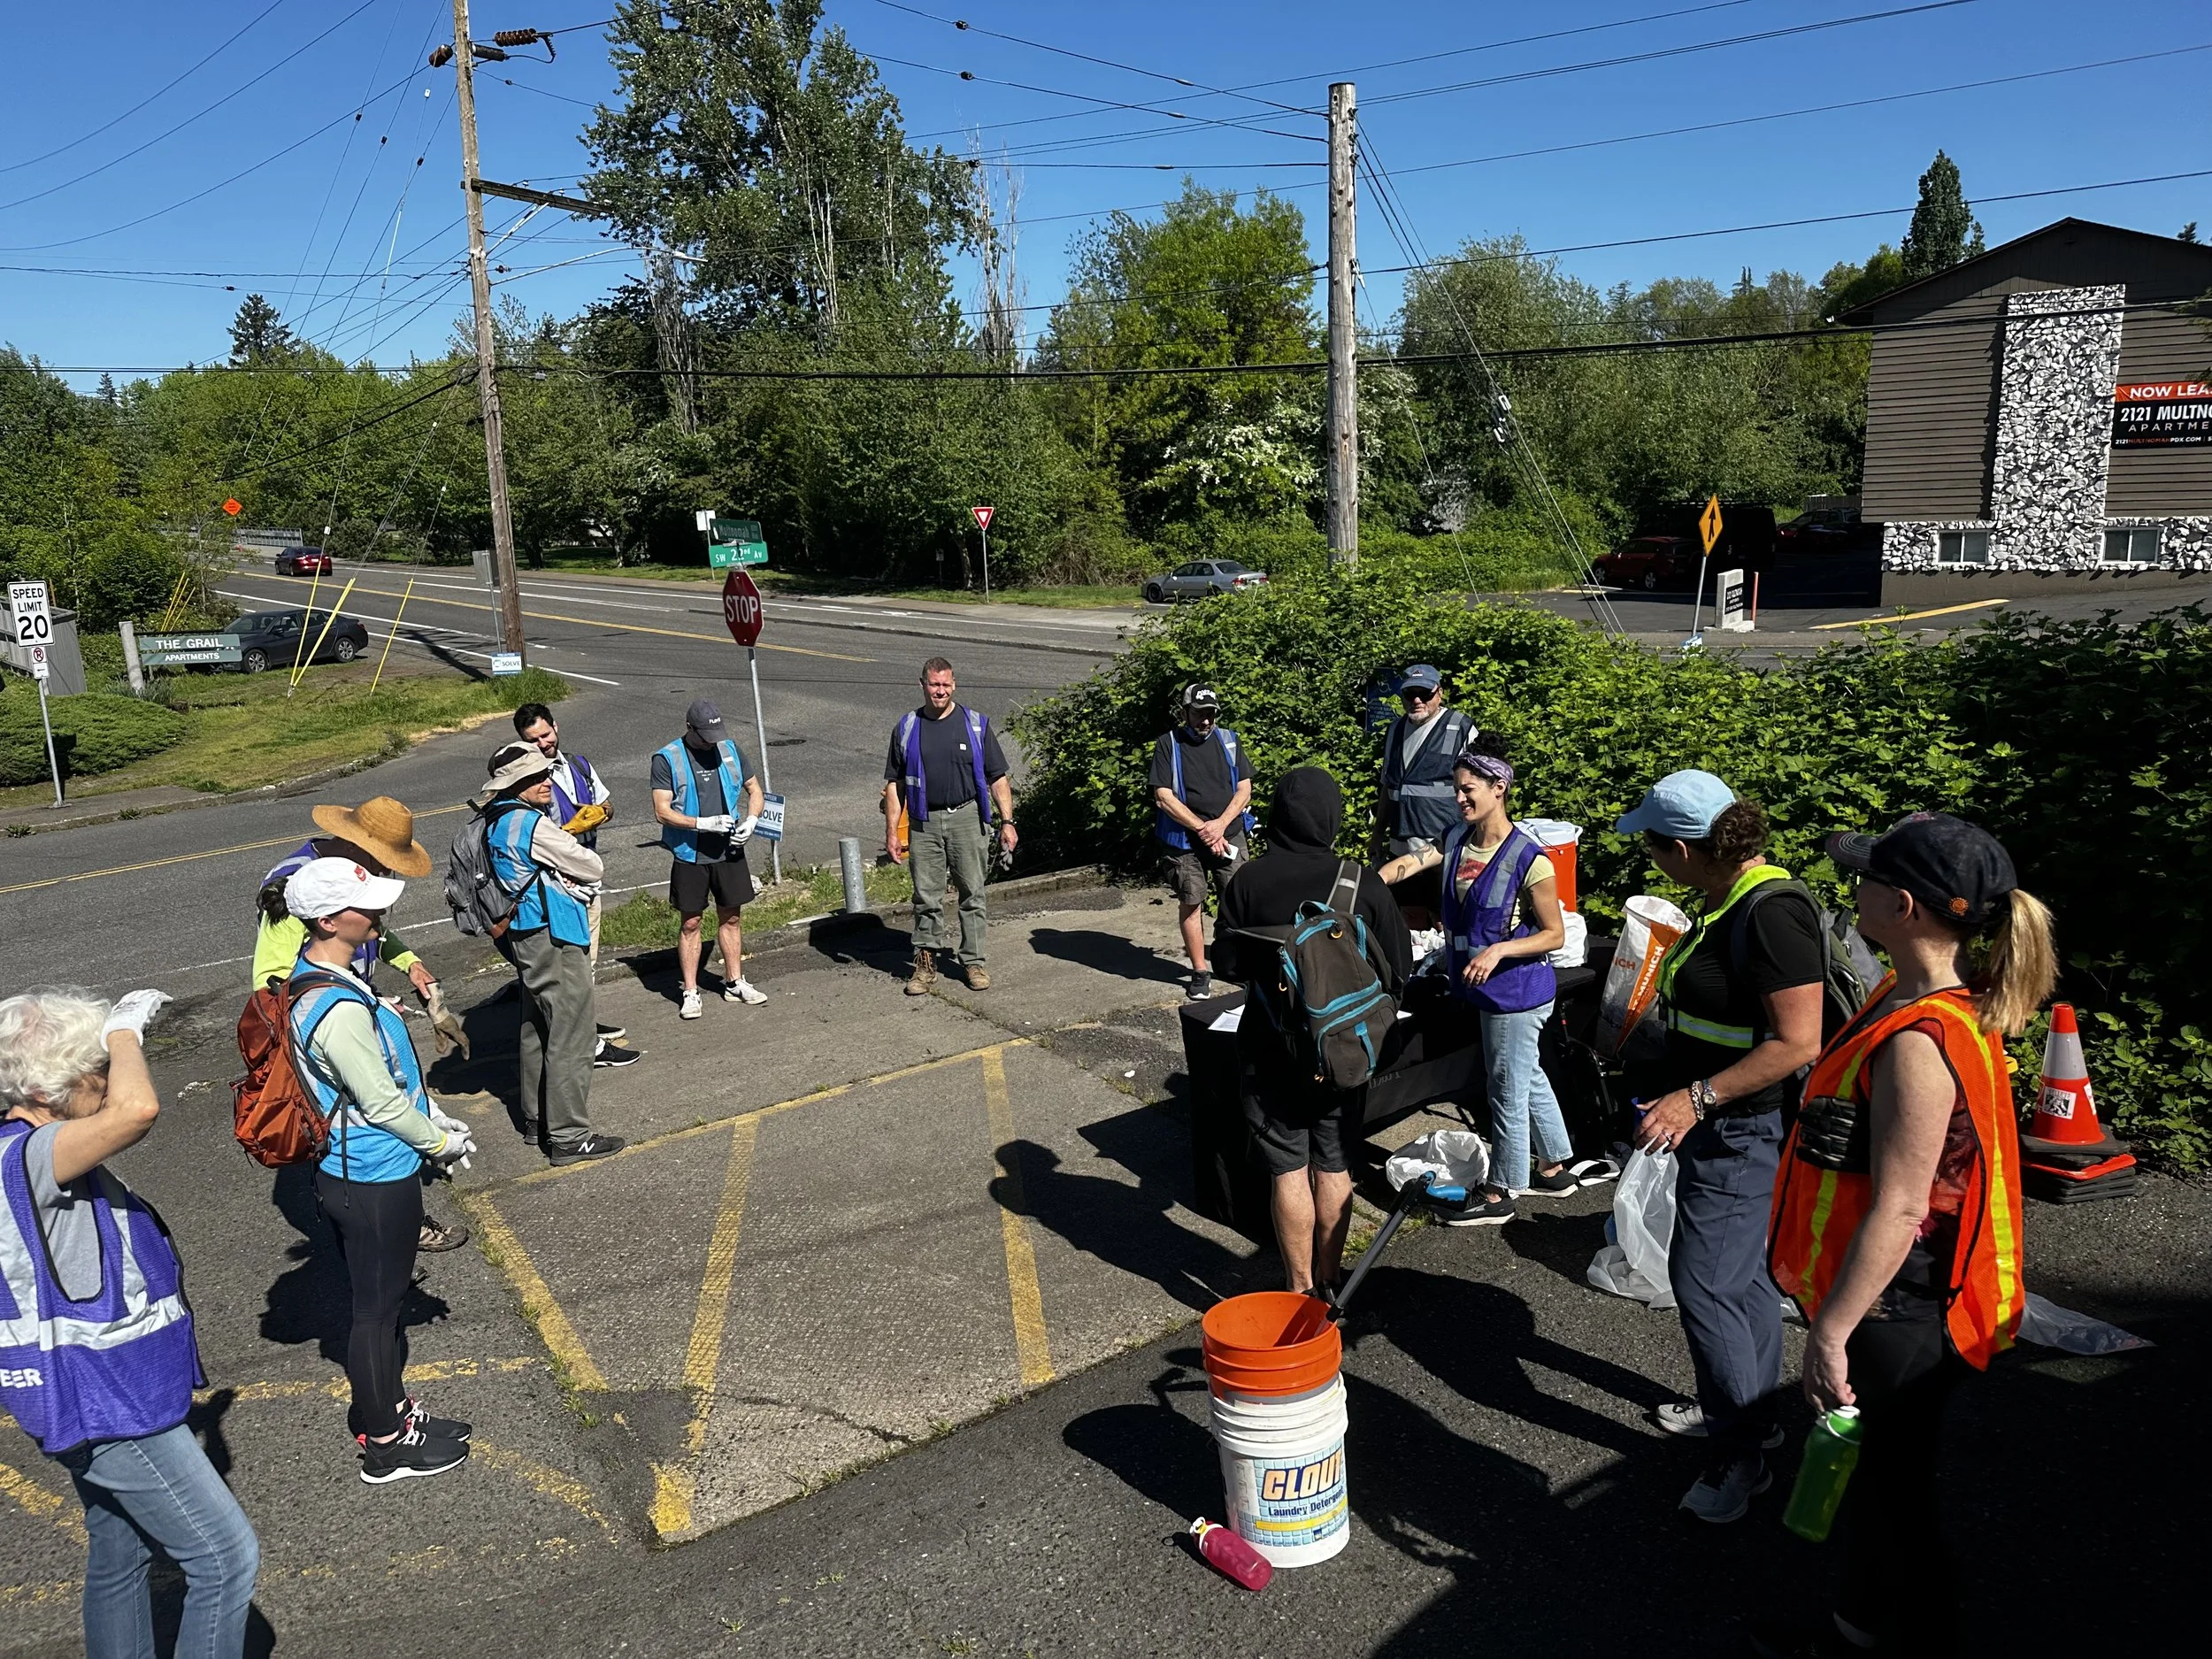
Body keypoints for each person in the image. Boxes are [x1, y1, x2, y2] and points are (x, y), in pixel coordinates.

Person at [1759, 815, 2053, 1658]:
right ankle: (1881, 1621)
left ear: (1903, 902)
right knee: (1895, 1485)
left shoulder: (1919, 1038)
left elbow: (1900, 1205)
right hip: (1929, 1291)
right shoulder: (1929, 996)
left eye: (1865, 878)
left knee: (1890, 1494)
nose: (1851, 889)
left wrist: (1831, 1332)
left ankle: (1882, 1634)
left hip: (1906, 1306)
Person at [1, 987, 263, 1656]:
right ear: (53, 1086)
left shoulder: (30, 1150)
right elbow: (139, 1109)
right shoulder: (32, 1157)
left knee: (120, 1548)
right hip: (107, 1400)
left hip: (96, 1393)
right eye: (98, 1069)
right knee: (224, 1557)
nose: (110, 1080)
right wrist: (124, 1031)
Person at [1619, 771, 1826, 1523]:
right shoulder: (1728, 899)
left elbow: (1799, 1040)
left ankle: (1739, 1456)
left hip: (1745, 1127)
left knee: (1704, 1283)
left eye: (1653, 845)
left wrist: (1696, 1096)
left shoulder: (1769, 914)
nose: (1651, 858)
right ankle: (1757, 1417)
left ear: (1684, 848)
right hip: (1728, 1127)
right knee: (1740, 1280)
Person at [283, 858, 480, 1482]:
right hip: (370, 1176)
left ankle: (390, 1409)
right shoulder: (335, 1006)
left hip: (358, 1168)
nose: (380, 916)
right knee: (376, 1311)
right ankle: (388, 1444)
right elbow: (382, 1102)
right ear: (326, 919)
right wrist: (438, 1142)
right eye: (365, 908)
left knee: (381, 1305)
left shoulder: (325, 974)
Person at [1215, 767, 1411, 1294]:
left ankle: (1298, 1287)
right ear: (1332, 816)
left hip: (1269, 1050)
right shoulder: (1359, 881)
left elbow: (1227, 964)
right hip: (1342, 1053)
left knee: (1288, 1172)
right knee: (1334, 1163)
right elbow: (1400, 965)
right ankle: (1331, 1278)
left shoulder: (1249, 880)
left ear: (1278, 815)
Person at [247, 796, 469, 1255]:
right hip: (327, 1023)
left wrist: (409, 963)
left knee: (375, 1119)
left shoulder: (351, 875)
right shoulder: (297, 885)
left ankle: (379, 1232)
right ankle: (369, 1238)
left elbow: (373, 929)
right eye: (385, 863)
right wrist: (342, 1003)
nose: (387, 875)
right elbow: (270, 980)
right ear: (357, 847)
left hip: (350, 1005)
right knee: (349, 1129)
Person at [1380, 735, 1576, 1226]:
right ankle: (1554, 1168)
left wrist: (1501, 949)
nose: (1461, 798)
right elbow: (1412, 862)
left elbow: (1553, 935)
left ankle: (1502, 1192)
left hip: (1517, 992)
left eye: (1469, 790)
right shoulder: (1455, 840)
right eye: (1457, 790)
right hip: (1486, 989)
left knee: (1506, 1086)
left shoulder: (1531, 860)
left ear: (1499, 788)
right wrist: (1365, 883)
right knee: (1527, 1074)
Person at [480, 744, 626, 1165]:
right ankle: (568, 1136)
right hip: (555, 933)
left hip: (524, 934)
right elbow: (591, 865)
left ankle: (535, 1119)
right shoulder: (531, 824)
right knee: (571, 1032)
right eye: (536, 777)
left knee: (535, 1026)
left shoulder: (496, 819)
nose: (547, 782)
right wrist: (567, 848)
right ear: (516, 784)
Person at [883, 658, 1017, 995]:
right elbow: (895, 785)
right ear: (922, 685)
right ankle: (926, 965)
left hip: (967, 819)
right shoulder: (907, 727)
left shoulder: (975, 725)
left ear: (954, 684)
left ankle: (973, 961)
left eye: (945, 685)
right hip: (923, 823)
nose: (939, 691)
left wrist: (1007, 821)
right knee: (926, 897)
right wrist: (891, 833)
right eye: (933, 685)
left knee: (973, 893)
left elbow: (997, 778)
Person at [515, 701, 637, 1065]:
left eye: (546, 734)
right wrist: (568, 831)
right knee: (571, 967)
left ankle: (585, 1025)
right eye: (533, 740)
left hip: (587, 880)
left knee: (590, 960)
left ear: (556, 727)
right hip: (556, 887)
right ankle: (583, 1043)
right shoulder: (531, 783)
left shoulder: (579, 765)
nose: (543, 743)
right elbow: (531, 836)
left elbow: (608, 804)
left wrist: (599, 814)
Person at [650, 698, 768, 1021]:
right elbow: (661, 811)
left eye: (714, 735)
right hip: (691, 852)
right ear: (689, 729)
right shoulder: (667, 758)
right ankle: (690, 991)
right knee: (691, 922)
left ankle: (735, 981)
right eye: (704, 736)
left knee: (731, 917)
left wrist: (752, 820)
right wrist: (701, 823)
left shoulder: (730, 749)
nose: (711, 742)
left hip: (729, 849)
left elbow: (755, 790)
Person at [1148, 683, 1255, 1001]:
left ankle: (1237, 965)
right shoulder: (1168, 744)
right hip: (1183, 840)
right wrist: (1202, 828)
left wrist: (1220, 826)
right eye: (1199, 714)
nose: (1205, 721)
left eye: (1210, 714)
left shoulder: (1229, 740)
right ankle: (1199, 971)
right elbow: (1163, 796)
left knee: (1237, 900)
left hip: (1228, 832)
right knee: (1192, 900)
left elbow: (1244, 788)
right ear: (1185, 712)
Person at [1378, 663, 1475, 860]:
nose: (1417, 700)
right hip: (1399, 847)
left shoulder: (1460, 727)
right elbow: (1387, 787)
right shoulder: (1394, 730)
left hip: (1443, 847)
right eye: (1409, 693)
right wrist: (1377, 835)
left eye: (1424, 693)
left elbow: (1480, 791)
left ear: (1440, 693)